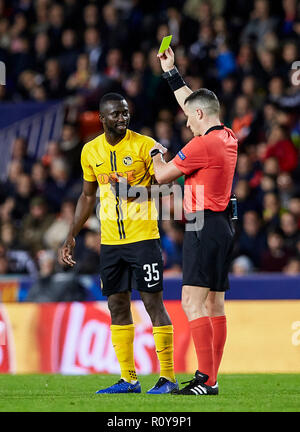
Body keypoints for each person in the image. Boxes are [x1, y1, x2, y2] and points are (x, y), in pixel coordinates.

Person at [59, 92, 178, 395]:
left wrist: (133, 192)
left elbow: (169, 189)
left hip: (144, 238)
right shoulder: (90, 151)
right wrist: (72, 233)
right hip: (110, 243)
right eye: (115, 114)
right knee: (116, 304)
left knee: (153, 303)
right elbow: (87, 196)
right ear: (101, 118)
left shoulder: (145, 146)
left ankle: (168, 377)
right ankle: (129, 379)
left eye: (125, 113)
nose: (122, 119)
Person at [150, 47, 238, 395]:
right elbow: (194, 102)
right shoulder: (227, 137)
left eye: (189, 117)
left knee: (190, 301)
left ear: (199, 114)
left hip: (203, 225)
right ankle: (211, 379)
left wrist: (158, 151)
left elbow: (160, 177)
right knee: (214, 303)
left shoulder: (200, 146)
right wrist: (172, 73)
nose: (186, 121)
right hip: (223, 226)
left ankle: (205, 379)